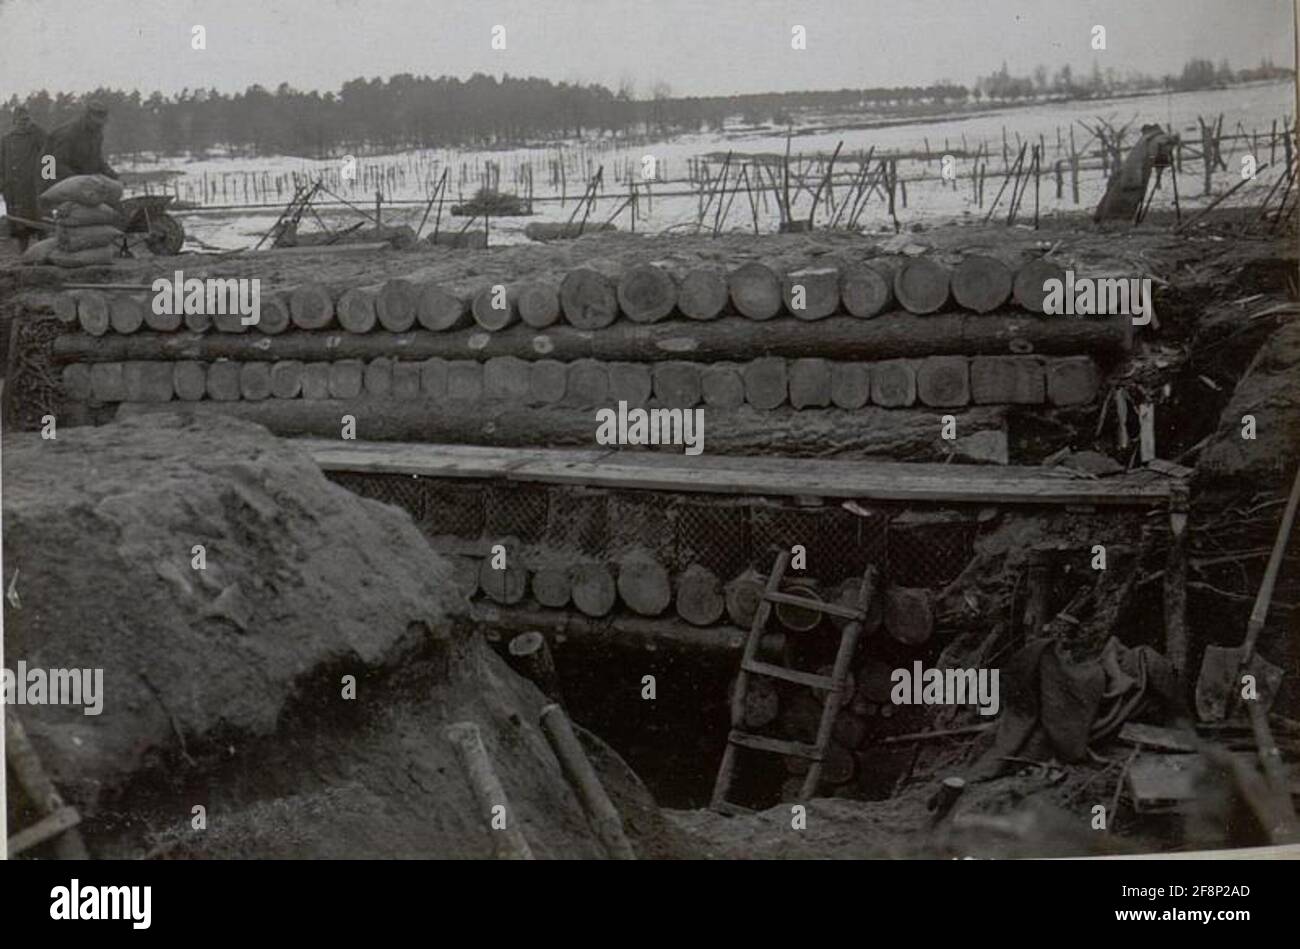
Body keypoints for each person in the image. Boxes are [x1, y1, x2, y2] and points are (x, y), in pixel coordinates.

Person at [1093, 123, 1175, 223]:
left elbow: (1155, 156)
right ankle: (1115, 221)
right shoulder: (1155, 139)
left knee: (1115, 196)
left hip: (1130, 171)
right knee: (1126, 198)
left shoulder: (1147, 140)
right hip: (1135, 174)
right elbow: (1157, 156)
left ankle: (1105, 219)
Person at [0, 106, 47, 252]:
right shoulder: (6, 139)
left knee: (40, 221)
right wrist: (2, 183)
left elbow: (49, 156)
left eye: (26, 119)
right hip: (13, 188)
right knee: (19, 226)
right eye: (20, 120)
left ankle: (44, 251)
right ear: (14, 121)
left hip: (33, 187)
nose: (23, 123)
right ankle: (24, 253)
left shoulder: (38, 134)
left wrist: (48, 179)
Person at [41, 100, 118, 188]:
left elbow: (97, 160)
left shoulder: (96, 135)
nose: (100, 127)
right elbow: (55, 164)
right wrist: (80, 180)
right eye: (97, 124)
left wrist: (112, 175)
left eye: (101, 124)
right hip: (51, 178)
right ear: (87, 118)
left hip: (76, 180)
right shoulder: (68, 134)